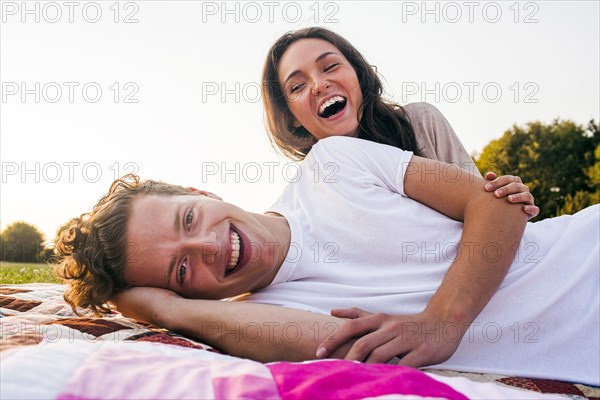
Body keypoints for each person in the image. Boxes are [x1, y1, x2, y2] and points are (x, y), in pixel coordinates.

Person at [55, 137, 599, 386]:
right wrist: (169, 313)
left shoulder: (333, 163)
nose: (208, 247)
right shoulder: (261, 322)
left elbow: (495, 203)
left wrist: (443, 322)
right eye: (180, 271)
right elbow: (355, 354)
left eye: (189, 220)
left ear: (198, 190)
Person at [261, 27, 539, 218]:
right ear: (291, 118)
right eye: (297, 86)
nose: (319, 85)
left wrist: (508, 200)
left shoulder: (420, 123)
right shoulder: (306, 193)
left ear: (358, 73)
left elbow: (485, 210)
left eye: (330, 66)